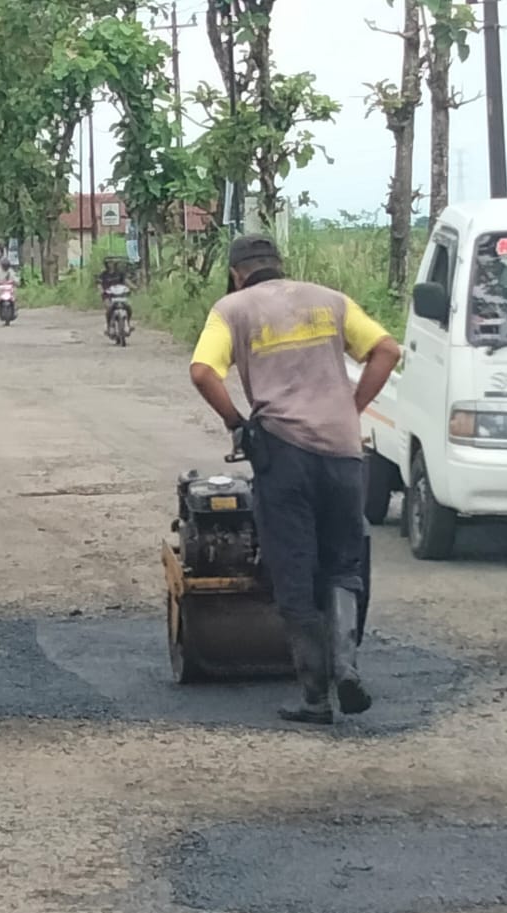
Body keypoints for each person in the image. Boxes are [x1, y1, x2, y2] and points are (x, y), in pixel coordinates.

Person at [188, 233, 401, 726]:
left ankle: (315, 696)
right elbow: (386, 351)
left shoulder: (232, 308)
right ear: (280, 264)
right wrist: (351, 409)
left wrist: (237, 424)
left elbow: (202, 372)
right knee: (344, 566)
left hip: (284, 454)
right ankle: (346, 667)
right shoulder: (331, 301)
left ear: (238, 272)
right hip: (344, 452)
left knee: (295, 575)